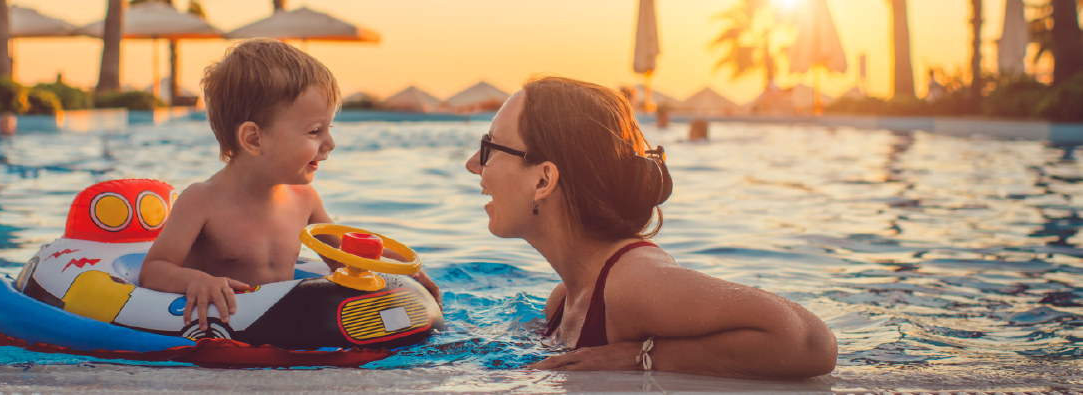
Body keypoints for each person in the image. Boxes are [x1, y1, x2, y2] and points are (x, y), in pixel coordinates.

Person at [465, 76, 835, 379]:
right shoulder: (563, 300)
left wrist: (643, 356)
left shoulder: (632, 284)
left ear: (543, 180)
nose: (473, 164)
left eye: (490, 148)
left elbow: (809, 341)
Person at [138, 38, 440, 331]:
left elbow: (342, 260)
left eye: (328, 128)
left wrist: (403, 269)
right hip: (230, 333)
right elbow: (153, 270)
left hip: (285, 328)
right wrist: (196, 281)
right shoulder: (201, 201)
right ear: (254, 139)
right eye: (314, 131)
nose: (330, 144)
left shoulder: (304, 199)